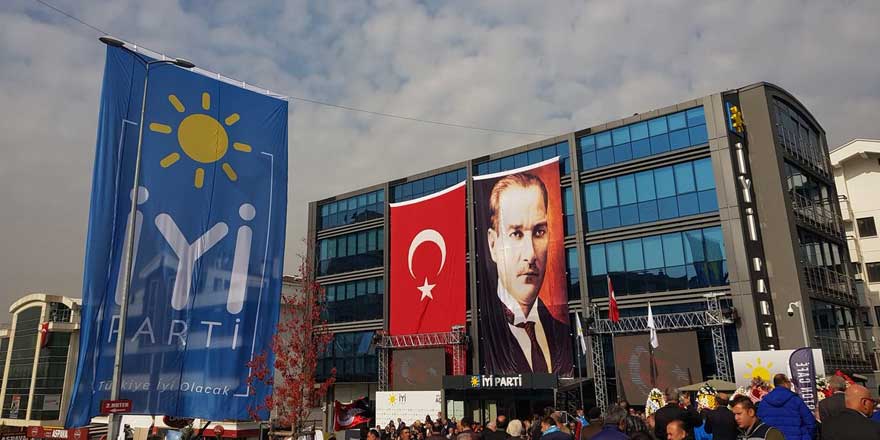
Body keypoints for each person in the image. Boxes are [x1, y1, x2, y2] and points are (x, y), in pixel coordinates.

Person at [480, 172, 573, 375]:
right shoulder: (482, 331)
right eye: (516, 234)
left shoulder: (563, 333)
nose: (530, 254)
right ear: (493, 244)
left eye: (539, 232)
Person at [755, 373, 816, 440]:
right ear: (785, 383)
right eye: (789, 382)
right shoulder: (796, 400)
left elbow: (759, 424)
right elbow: (810, 423)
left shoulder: (764, 402)